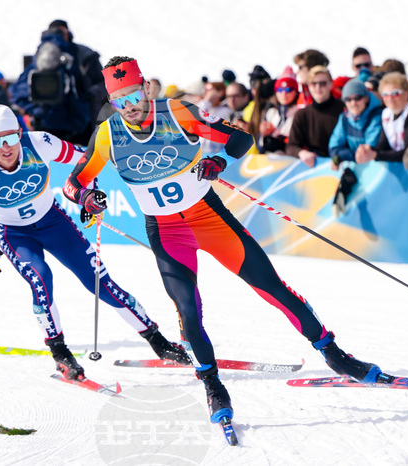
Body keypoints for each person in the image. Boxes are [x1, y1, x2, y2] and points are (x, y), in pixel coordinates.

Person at [63, 57, 386, 423]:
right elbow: (73, 183)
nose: (130, 106)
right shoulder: (107, 134)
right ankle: (213, 385)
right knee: (188, 313)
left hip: (208, 217)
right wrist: (87, 198)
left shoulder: (180, 111)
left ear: (146, 89)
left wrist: (217, 161)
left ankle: (332, 352)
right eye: (120, 100)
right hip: (167, 233)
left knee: (271, 287)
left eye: (134, 95)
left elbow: (240, 138)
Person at [0, 105, 188, 380]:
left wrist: (90, 194)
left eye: (11, 138)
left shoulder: (39, 143)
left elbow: (87, 159)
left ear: (19, 133)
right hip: (15, 234)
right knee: (41, 279)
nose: (6, 148)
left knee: (99, 282)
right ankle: (60, 353)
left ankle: (159, 342)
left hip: (53, 222)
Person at [328, 79, 383, 215]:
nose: (353, 103)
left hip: (378, 172)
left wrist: (342, 155)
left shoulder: (377, 115)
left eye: (357, 98)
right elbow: (334, 146)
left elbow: (370, 149)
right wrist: (339, 156)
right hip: (358, 171)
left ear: (365, 98)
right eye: (349, 99)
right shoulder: (345, 118)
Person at [355, 72, 408, 164]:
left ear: (406, 94)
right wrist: (368, 150)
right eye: (385, 94)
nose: (390, 98)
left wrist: (376, 155)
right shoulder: (387, 113)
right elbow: (384, 145)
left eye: (395, 93)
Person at [286, 66, 344, 165]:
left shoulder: (344, 109)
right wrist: (301, 152)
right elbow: (291, 146)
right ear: (309, 86)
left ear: (331, 85)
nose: (318, 87)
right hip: (315, 168)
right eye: (314, 84)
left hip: (342, 163)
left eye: (322, 83)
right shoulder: (302, 115)